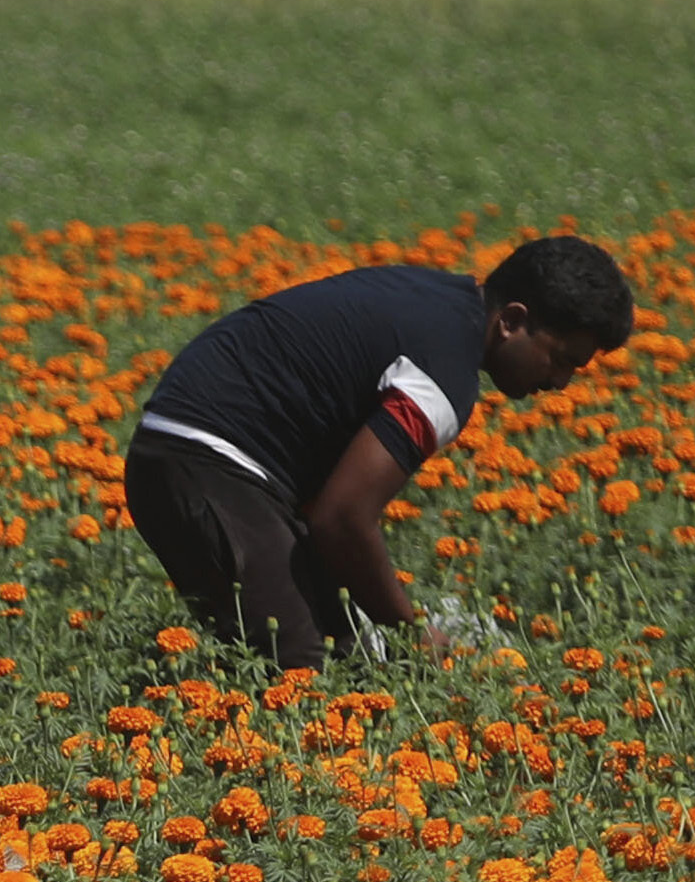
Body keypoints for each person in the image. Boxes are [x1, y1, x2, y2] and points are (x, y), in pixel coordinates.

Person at [118, 236, 636, 671]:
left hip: (199, 454)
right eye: (562, 359)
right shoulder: (444, 370)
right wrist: (412, 634)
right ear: (512, 321)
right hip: (203, 461)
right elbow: (341, 518)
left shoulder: (440, 300)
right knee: (304, 671)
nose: (561, 382)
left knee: (347, 651)